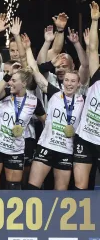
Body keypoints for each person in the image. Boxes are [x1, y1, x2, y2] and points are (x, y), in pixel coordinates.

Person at [25, 44, 85, 190]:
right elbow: (35, 71)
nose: (69, 84)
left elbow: (86, 65)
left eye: (73, 81)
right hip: (46, 146)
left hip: (66, 150)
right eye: (67, 81)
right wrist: (27, 49)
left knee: (60, 194)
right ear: (63, 81)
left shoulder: (83, 100)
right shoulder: (54, 94)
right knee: (32, 187)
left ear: (78, 84)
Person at [0, 68, 46, 190]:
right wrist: (9, 75)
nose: (10, 83)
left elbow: (46, 120)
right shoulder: (6, 93)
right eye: (10, 80)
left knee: (14, 188)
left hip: (15, 149)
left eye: (13, 80)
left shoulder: (34, 101)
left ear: (23, 83)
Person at [73, 1, 100, 190]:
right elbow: (92, 50)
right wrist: (95, 21)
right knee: (80, 184)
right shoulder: (97, 76)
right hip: (85, 137)